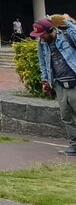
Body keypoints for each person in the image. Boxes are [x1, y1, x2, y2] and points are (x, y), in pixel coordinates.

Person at [31, 14, 76, 155]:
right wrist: (46, 80)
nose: (40, 37)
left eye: (42, 34)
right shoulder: (42, 43)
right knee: (66, 116)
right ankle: (74, 145)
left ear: (51, 30)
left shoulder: (67, 35)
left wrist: (67, 22)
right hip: (59, 84)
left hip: (74, 80)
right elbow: (43, 62)